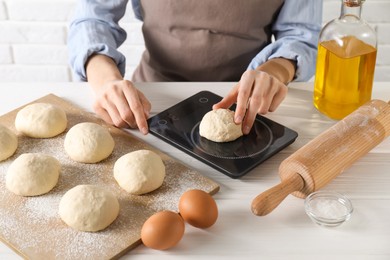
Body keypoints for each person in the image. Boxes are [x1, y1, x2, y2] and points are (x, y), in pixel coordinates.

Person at [68, 0, 322, 135]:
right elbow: (93, 18)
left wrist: (275, 71)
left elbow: (300, 36)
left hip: (249, 105)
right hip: (153, 101)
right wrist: (105, 79)